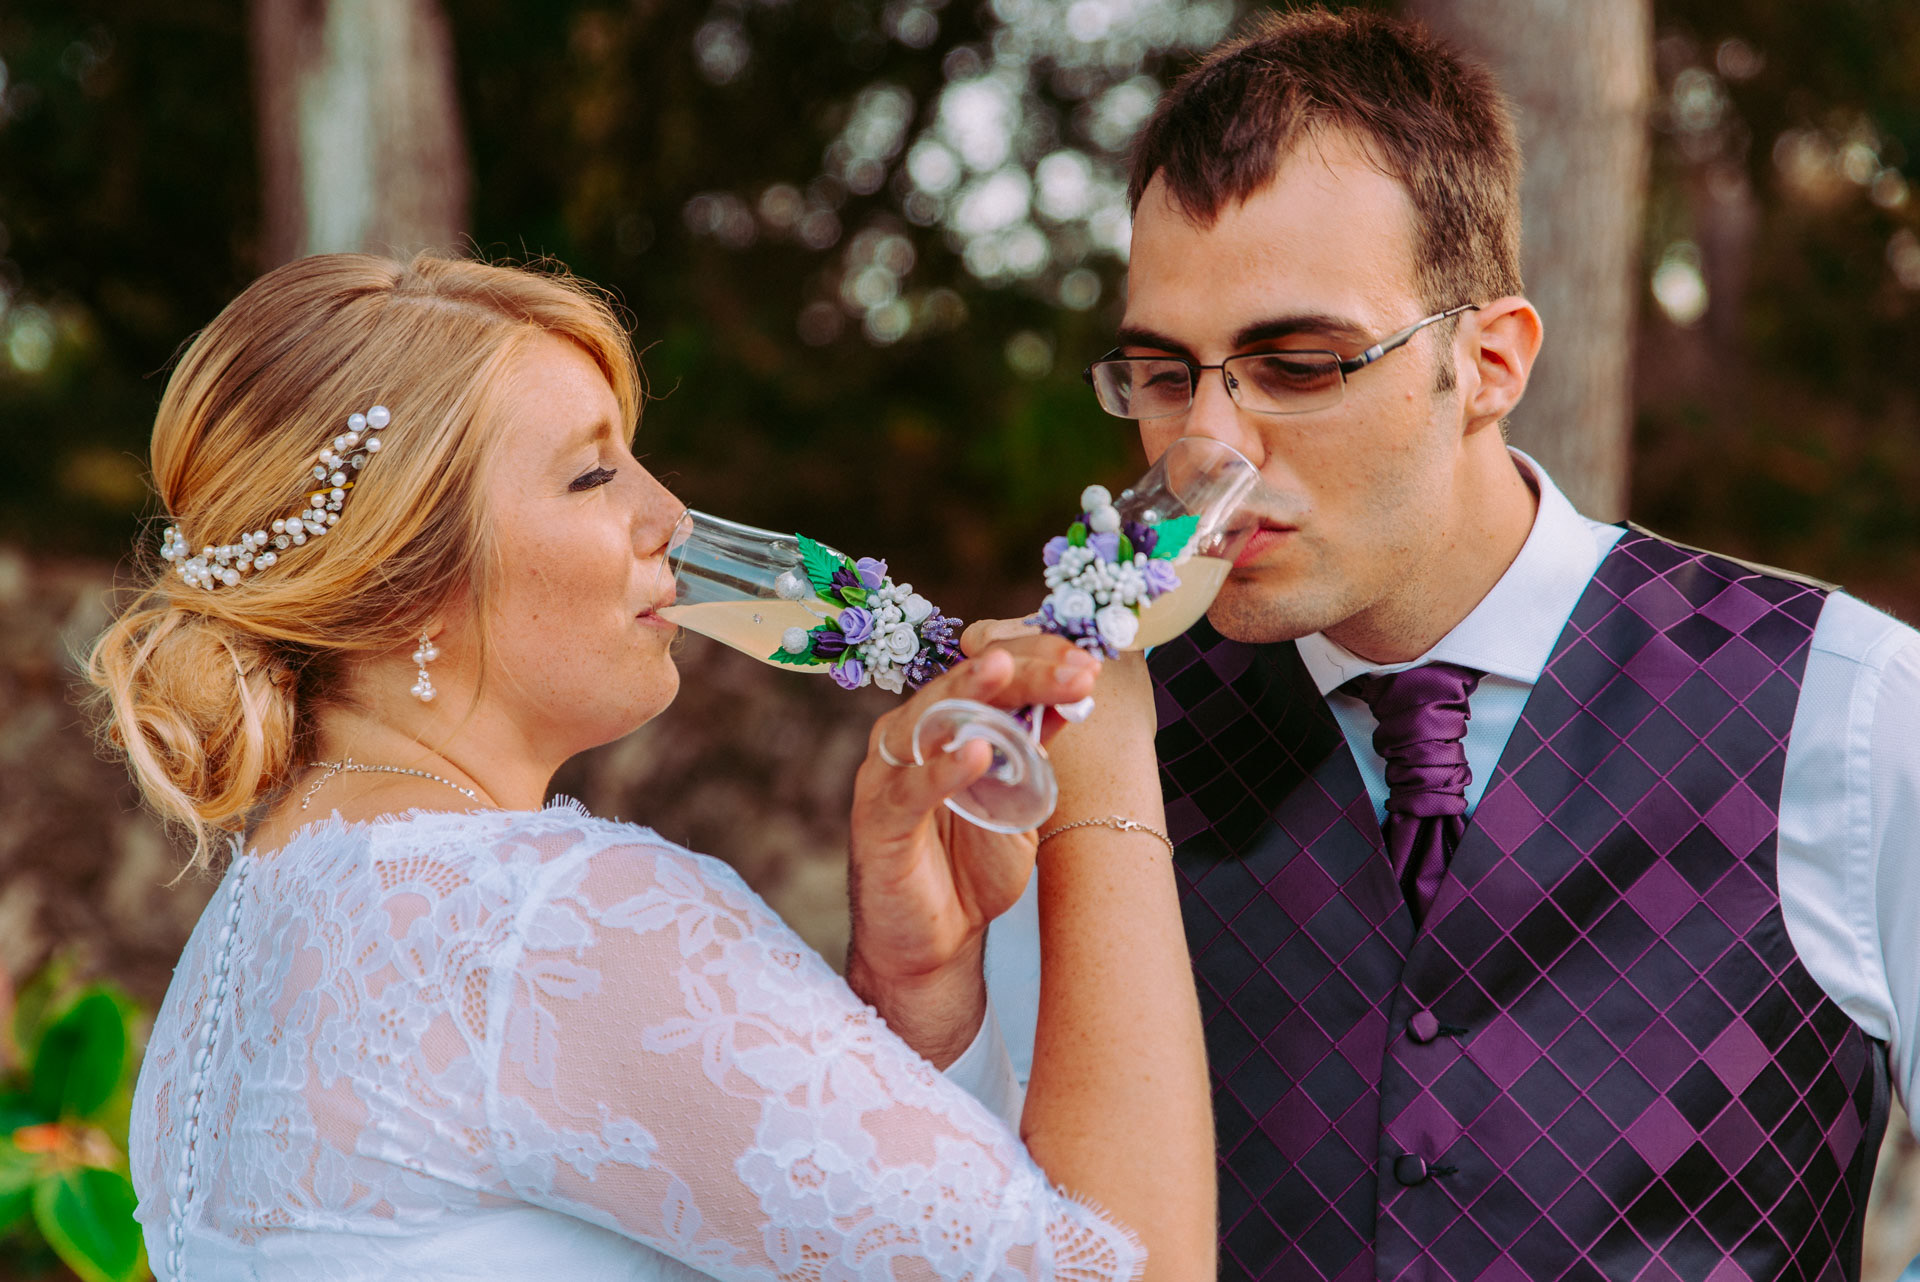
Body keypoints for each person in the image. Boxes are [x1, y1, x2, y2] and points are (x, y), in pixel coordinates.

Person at [894, 9, 1920, 1281]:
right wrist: (927, 994)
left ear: (1488, 363)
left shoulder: (1850, 707)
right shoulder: (1097, 755)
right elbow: (978, 1227)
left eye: (1299, 363)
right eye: (1166, 374)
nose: (1209, 446)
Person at [84, 252, 1216, 1280]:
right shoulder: (554, 920)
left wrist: (916, 994)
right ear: (402, 583)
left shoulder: (240, 943)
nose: (669, 518)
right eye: (591, 477)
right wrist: (1108, 753)